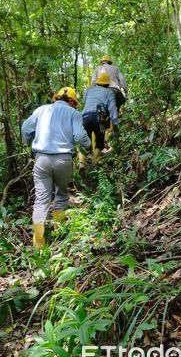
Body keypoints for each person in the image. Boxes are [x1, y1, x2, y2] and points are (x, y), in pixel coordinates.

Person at [21, 87, 91, 250]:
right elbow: (80, 136)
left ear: (56, 98)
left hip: (42, 160)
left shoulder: (41, 110)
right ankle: (59, 233)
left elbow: (25, 128)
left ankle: (38, 244)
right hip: (63, 160)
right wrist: (88, 146)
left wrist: (28, 143)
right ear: (72, 102)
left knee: (41, 200)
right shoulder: (74, 114)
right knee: (61, 195)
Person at [82, 73, 118, 164]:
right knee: (99, 141)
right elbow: (112, 107)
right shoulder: (109, 92)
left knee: (83, 141)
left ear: (97, 82)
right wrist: (115, 122)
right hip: (100, 117)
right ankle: (94, 164)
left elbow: (84, 101)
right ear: (108, 84)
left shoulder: (89, 90)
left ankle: (81, 165)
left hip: (85, 116)